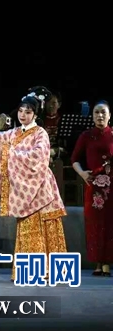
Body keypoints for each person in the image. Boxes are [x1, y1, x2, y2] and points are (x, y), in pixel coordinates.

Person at [0, 88, 67, 280]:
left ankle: (47, 270)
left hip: (41, 187)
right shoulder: (14, 133)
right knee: (25, 227)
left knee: (42, 227)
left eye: (28, 112)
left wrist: (10, 154)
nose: (23, 115)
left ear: (35, 114)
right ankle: (29, 270)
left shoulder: (40, 133)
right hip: (24, 190)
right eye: (21, 111)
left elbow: (38, 156)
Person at [71, 100, 113, 276]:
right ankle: (97, 262)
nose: (100, 115)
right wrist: (82, 173)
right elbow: (74, 159)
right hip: (94, 186)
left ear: (109, 116)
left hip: (111, 187)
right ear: (92, 116)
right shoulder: (86, 136)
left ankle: (107, 263)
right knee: (94, 224)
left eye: (103, 112)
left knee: (110, 224)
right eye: (96, 112)